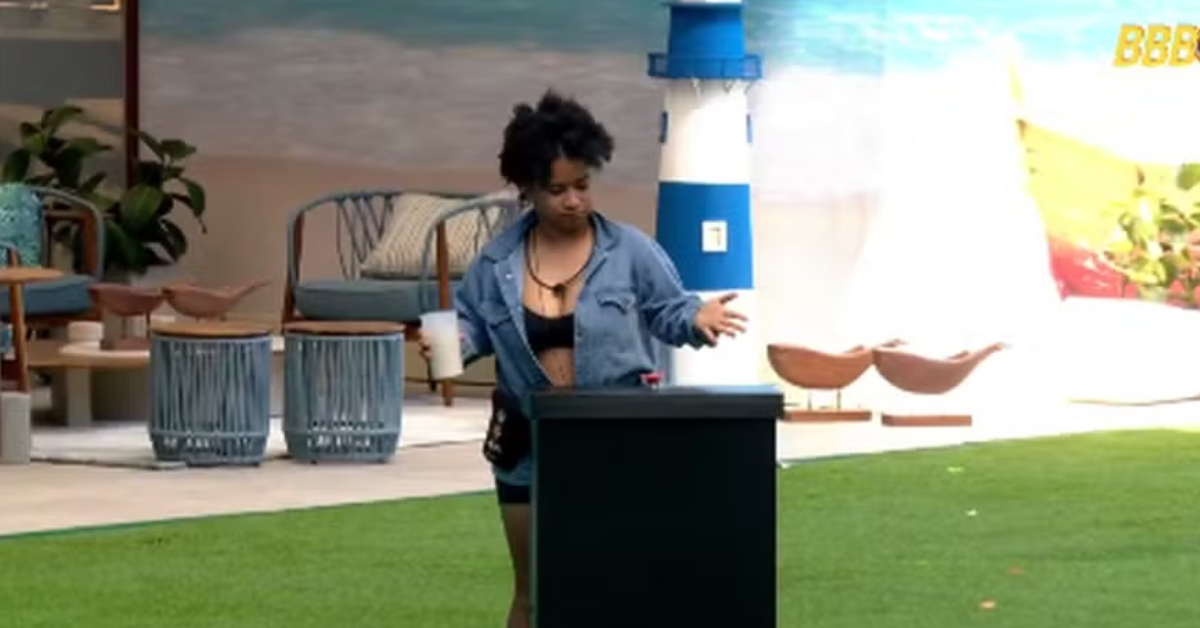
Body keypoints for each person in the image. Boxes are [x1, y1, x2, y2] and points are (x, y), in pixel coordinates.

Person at [418, 89, 747, 628]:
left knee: (616, 583)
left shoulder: (632, 250)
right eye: (557, 190)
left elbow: (669, 309)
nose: (573, 200)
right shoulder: (495, 262)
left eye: (582, 185)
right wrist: (452, 339)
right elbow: (472, 326)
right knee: (532, 593)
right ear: (527, 189)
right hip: (525, 443)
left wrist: (696, 318)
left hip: (615, 438)